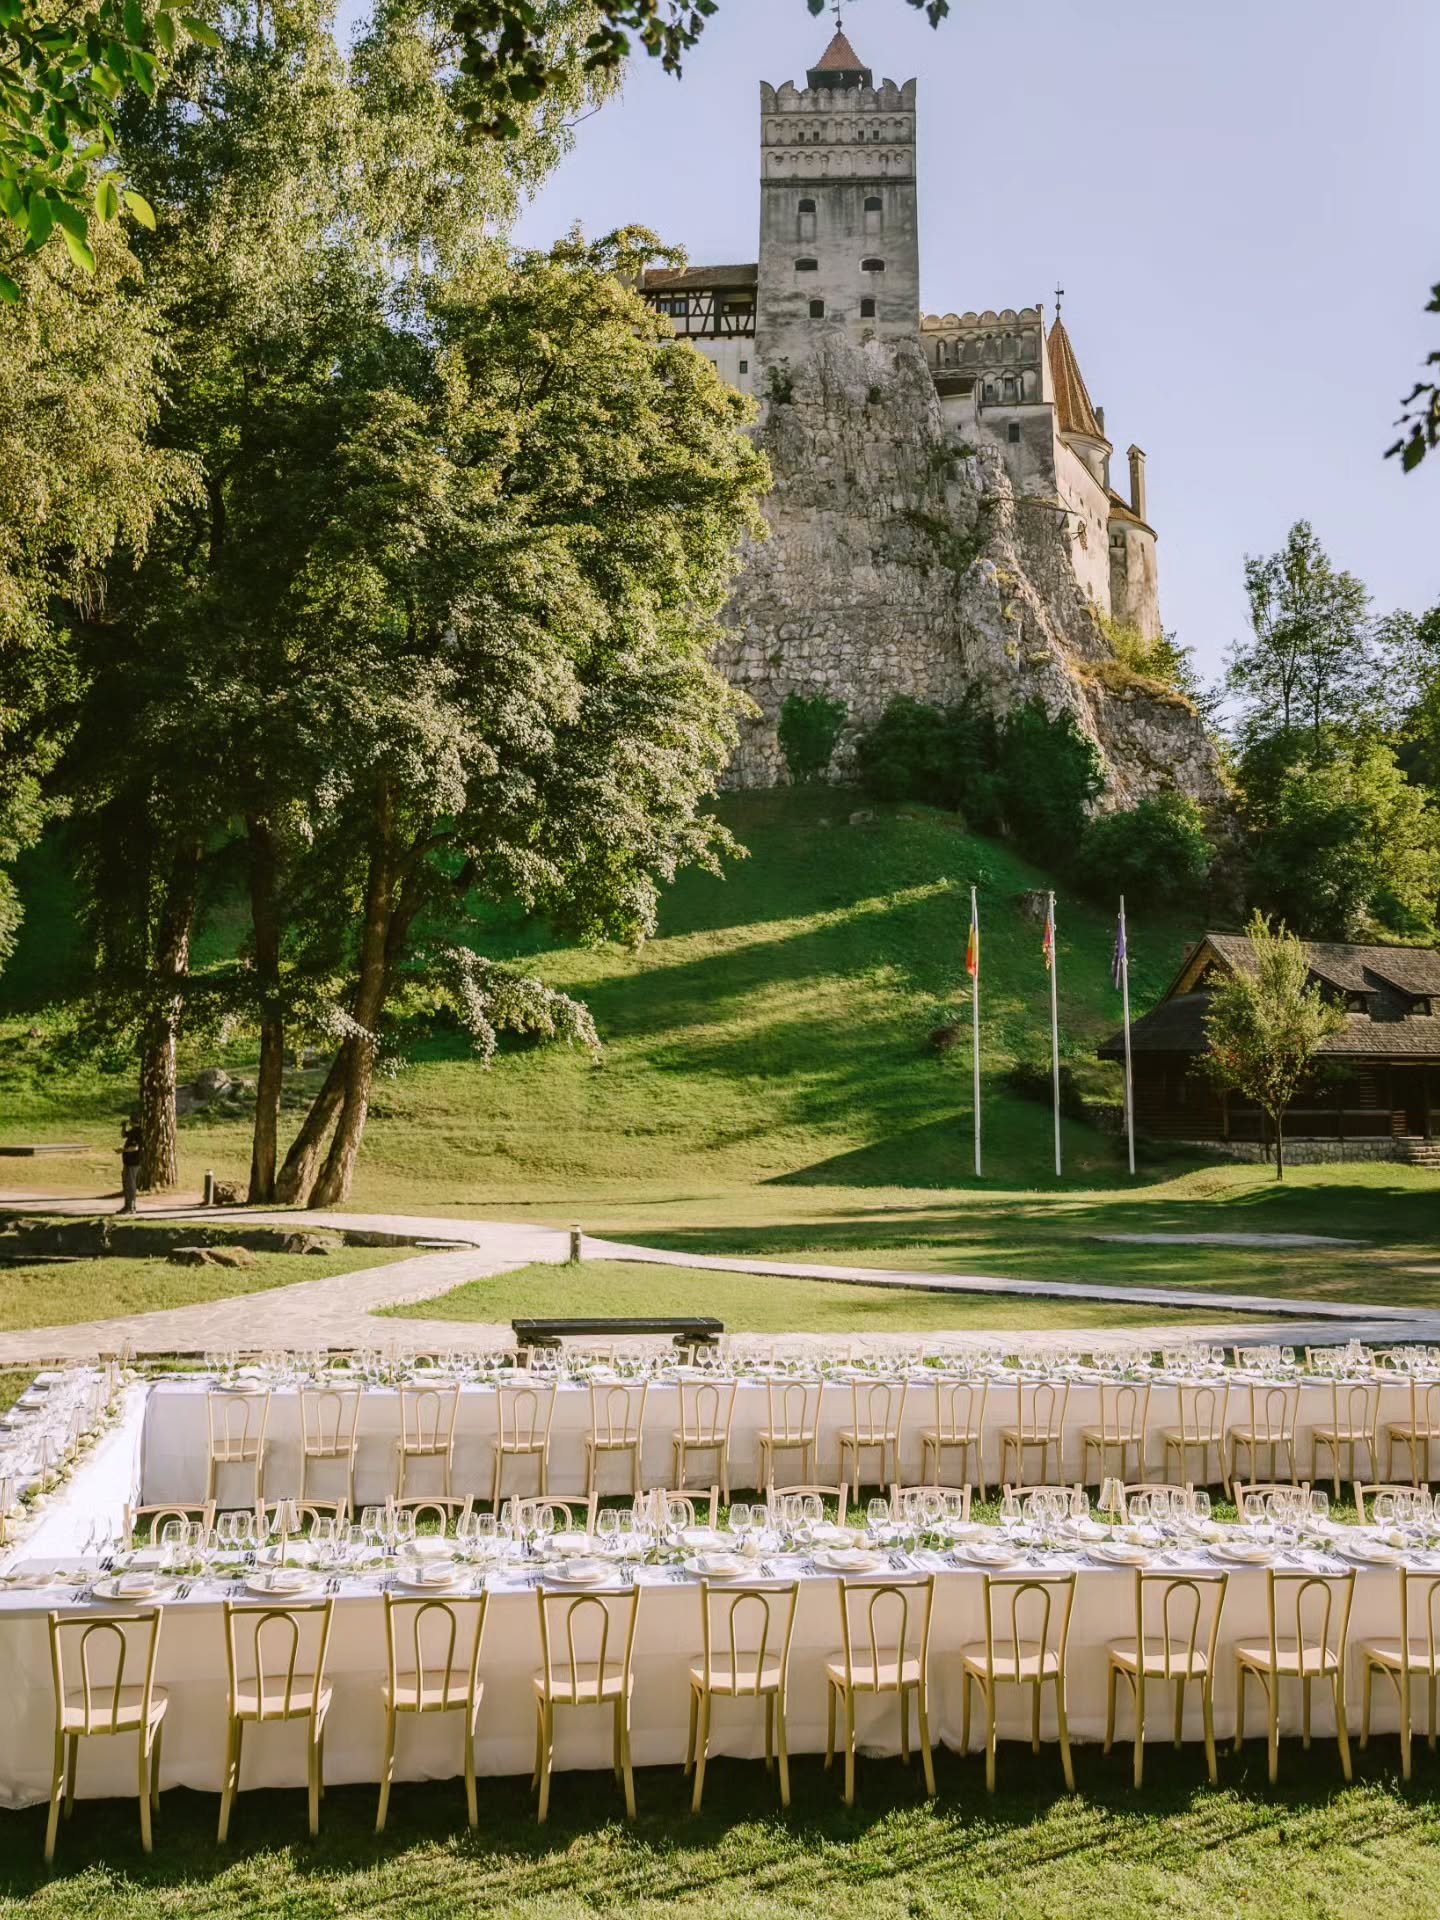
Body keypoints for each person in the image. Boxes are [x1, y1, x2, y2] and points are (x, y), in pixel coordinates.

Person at [119, 1116, 142, 1215]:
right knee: (126, 1184)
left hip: (134, 1162)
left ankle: (131, 1207)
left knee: (130, 1185)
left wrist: (123, 1150)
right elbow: (124, 1135)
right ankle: (127, 1205)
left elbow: (135, 1147)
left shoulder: (138, 1132)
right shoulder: (133, 1131)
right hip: (128, 1162)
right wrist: (123, 1127)